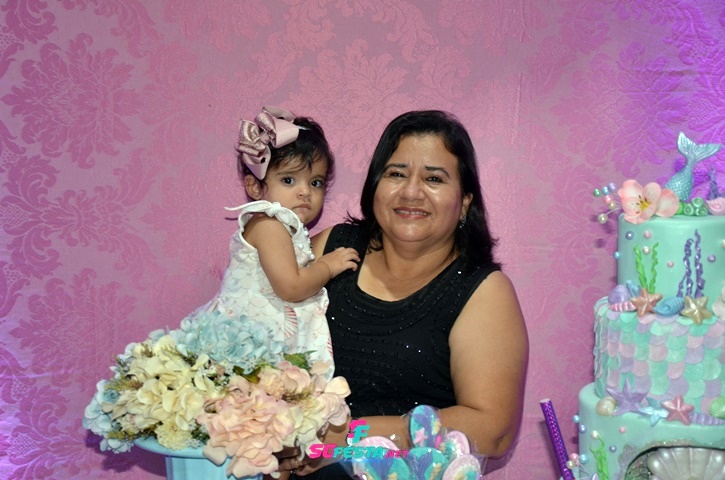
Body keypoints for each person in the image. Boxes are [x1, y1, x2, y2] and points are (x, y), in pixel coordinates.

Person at [286, 110, 529, 478]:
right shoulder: (331, 250)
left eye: (434, 178)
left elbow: (494, 430)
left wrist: (347, 437)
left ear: (465, 201)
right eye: (397, 174)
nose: (411, 192)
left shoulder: (482, 291)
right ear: (375, 186)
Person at [184, 106, 359, 379]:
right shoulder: (269, 225)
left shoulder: (285, 230)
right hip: (243, 344)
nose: (305, 191)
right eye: (289, 180)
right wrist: (327, 266)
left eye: (315, 183)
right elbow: (291, 287)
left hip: (261, 348)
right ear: (255, 187)